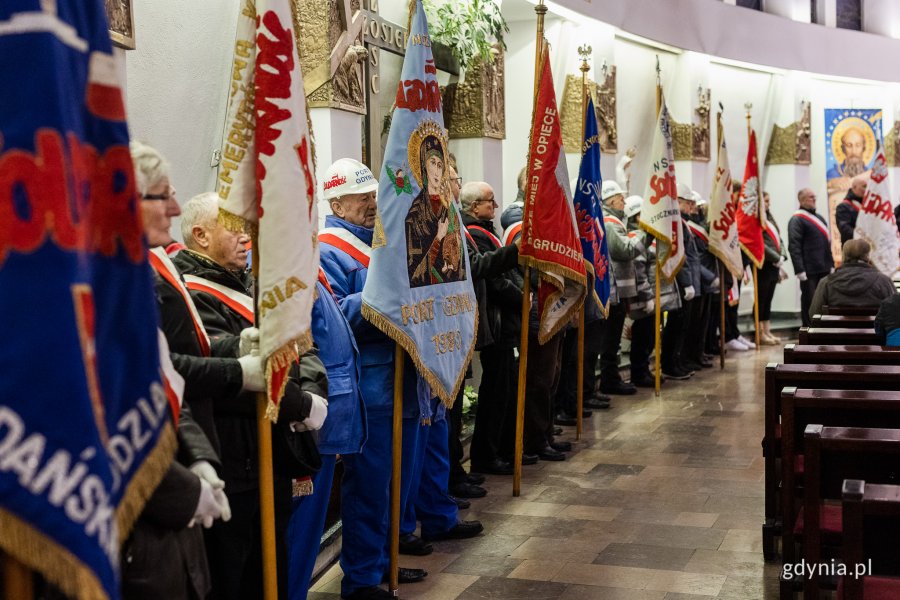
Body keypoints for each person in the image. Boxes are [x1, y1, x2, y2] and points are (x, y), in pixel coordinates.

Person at [318, 158, 480, 599]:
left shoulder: (381, 243)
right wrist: (384, 300)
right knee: (370, 488)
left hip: (408, 380)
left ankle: (385, 563)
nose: (373, 203)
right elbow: (331, 317)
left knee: (398, 485)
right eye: (362, 197)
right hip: (372, 386)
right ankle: (363, 578)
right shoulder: (328, 250)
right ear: (336, 201)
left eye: (374, 194)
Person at [175, 192, 329, 600]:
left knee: (271, 572)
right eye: (236, 227)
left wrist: (312, 392)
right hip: (235, 457)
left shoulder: (255, 282)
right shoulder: (191, 293)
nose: (248, 238)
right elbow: (235, 379)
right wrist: (302, 405)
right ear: (200, 236)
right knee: (237, 578)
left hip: (272, 452)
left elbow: (302, 347)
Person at [125, 141, 233, 600]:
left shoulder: (129, 274)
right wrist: (182, 489)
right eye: (161, 195)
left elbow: (162, 380)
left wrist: (200, 459)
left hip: (175, 483)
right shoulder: (96, 288)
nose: (174, 207)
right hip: (135, 523)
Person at [461, 181, 523, 475]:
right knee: (495, 393)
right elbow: (493, 277)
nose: (494, 206)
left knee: (505, 390)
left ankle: (501, 449)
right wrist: (523, 298)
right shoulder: (473, 233)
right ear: (474, 207)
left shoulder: (486, 232)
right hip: (496, 323)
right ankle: (487, 454)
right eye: (489, 201)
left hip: (504, 322)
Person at [405, 135, 465, 287]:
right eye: (433, 163)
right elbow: (413, 274)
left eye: (440, 165)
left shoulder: (450, 210)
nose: (437, 170)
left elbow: (461, 265)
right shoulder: (415, 215)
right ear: (423, 166)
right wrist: (438, 238)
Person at [599, 180, 640, 394]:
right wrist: (646, 234)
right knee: (610, 340)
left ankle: (611, 378)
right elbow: (623, 251)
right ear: (612, 200)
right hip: (613, 292)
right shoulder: (609, 222)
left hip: (619, 291)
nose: (624, 202)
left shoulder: (614, 220)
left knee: (613, 339)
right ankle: (609, 380)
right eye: (621, 199)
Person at [809, 239, 895, 317]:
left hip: (837, 333)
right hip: (874, 333)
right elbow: (896, 312)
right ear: (868, 257)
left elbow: (814, 314)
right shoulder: (884, 281)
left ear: (844, 256)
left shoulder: (826, 282)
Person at [788, 188, 835, 327]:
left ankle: (822, 328)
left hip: (824, 267)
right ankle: (808, 329)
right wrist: (799, 270)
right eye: (810, 197)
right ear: (801, 200)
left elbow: (827, 244)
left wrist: (831, 264)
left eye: (815, 196)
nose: (814, 199)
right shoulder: (796, 220)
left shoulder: (819, 218)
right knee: (810, 301)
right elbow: (794, 246)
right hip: (809, 270)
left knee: (824, 301)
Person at [757, 192, 789, 345]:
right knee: (761, 299)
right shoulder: (757, 219)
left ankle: (767, 330)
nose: (769, 204)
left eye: (769, 201)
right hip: (764, 264)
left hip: (774, 264)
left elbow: (779, 239)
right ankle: (760, 332)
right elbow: (760, 243)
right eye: (766, 201)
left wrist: (782, 255)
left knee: (768, 299)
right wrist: (776, 258)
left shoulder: (769, 217)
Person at [835, 177, 867, 245]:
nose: (866, 189)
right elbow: (845, 229)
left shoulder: (867, 206)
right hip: (853, 249)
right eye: (864, 186)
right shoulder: (843, 207)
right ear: (854, 187)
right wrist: (864, 237)